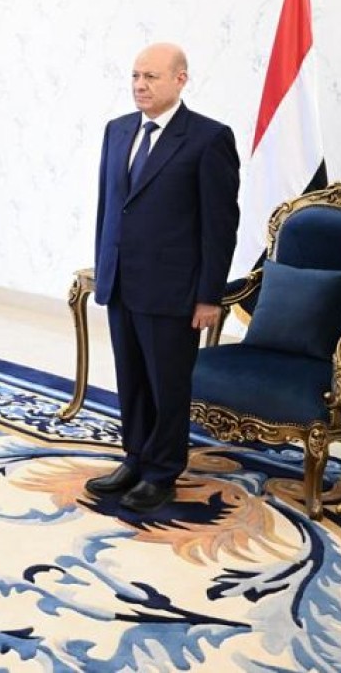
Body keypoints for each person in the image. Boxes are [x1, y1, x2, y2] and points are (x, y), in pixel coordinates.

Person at [87, 42, 240, 513]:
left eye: (151, 76)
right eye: (135, 75)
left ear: (180, 79)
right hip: (122, 283)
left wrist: (209, 296)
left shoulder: (208, 139)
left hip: (173, 290)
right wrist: (102, 266)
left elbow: (220, 225)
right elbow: (109, 209)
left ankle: (162, 471)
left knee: (167, 385)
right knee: (131, 379)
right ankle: (135, 457)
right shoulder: (117, 131)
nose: (139, 85)